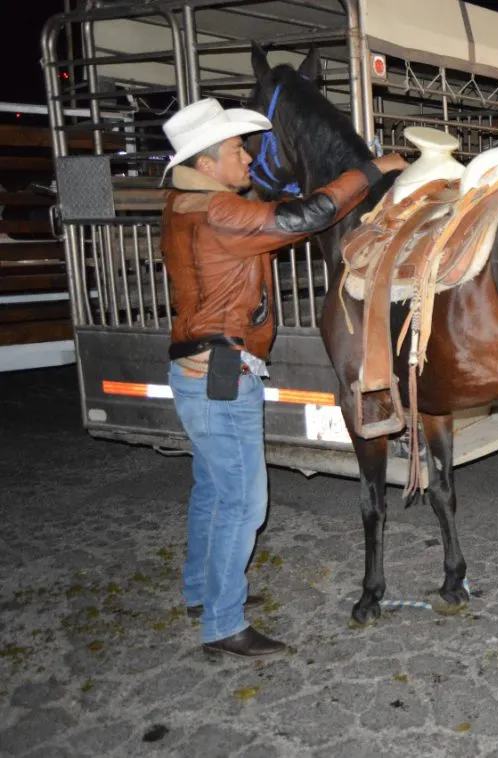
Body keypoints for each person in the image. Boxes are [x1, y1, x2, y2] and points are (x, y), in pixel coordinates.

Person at [161, 98, 407, 657]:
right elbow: (306, 217)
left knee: (211, 492)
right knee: (245, 505)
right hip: (223, 372)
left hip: (194, 367)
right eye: (234, 150)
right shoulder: (219, 213)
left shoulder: (182, 206)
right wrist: (372, 171)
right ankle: (223, 625)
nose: (247, 157)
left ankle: (201, 591)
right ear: (205, 164)